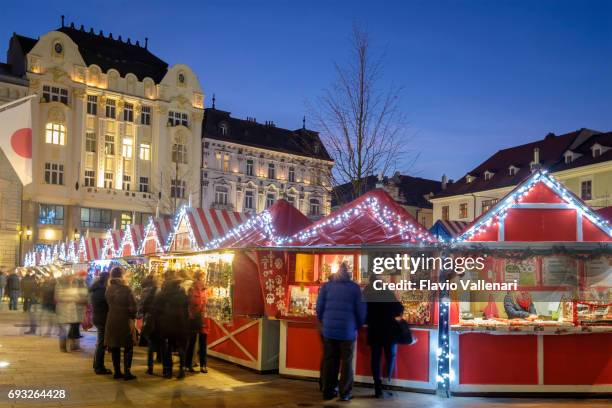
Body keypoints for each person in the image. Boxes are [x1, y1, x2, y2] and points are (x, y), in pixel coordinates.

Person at [316, 262, 366, 401]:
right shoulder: (355, 288)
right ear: (348, 273)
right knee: (347, 363)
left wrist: (324, 322)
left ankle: (328, 391)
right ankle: (345, 393)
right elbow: (361, 311)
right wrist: (357, 325)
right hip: (347, 332)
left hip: (329, 331)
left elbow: (319, 308)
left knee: (330, 361)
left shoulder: (326, 287)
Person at [363, 274, 404, 398]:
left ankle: (378, 386)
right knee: (390, 355)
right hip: (388, 330)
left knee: (376, 358)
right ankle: (387, 381)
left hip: (374, 330)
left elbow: (362, 311)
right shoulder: (387, 292)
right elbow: (399, 308)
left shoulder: (366, 293)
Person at [105, 267, 137, 380]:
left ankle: (117, 371)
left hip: (112, 320)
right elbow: (133, 307)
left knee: (115, 346)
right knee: (128, 346)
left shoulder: (108, 289)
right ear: (122, 276)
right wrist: (133, 316)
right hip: (125, 320)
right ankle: (127, 372)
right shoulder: (127, 289)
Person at [154, 275, 189, 379]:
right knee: (181, 347)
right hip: (180, 324)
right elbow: (187, 310)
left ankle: (168, 370)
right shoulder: (183, 295)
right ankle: (182, 369)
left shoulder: (162, 295)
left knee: (168, 348)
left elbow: (156, 310)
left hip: (167, 325)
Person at [185, 270, 209, 374]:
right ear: (198, 278)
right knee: (193, 342)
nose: (203, 280)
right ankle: (191, 365)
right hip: (195, 319)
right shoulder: (193, 289)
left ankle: (201, 365)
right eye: (202, 277)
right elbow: (192, 303)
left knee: (200, 343)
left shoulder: (204, 290)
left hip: (201, 319)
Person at [90, 272, 112, 375]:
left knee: (100, 342)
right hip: (101, 318)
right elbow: (107, 305)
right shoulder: (102, 291)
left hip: (98, 317)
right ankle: (99, 367)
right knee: (101, 343)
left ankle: (96, 365)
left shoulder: (96, 289)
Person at [138, 274, 160, 375]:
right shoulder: (160, 292)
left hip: (149, 319)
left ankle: (150, 367)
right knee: (161, 343)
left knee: (151, 344)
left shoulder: (146, 291)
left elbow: (143, 305)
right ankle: (164, 366)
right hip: (159, 320)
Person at [55, 275, 80, 352]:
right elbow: (76, 297)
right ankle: (67, 346)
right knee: (67, 329)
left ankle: (64, 347)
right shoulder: (71, 287)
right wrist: (72, 298)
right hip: (68, 310)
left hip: (63, 310)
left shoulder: (58, 285)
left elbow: (57, 297)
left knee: (64, 329)